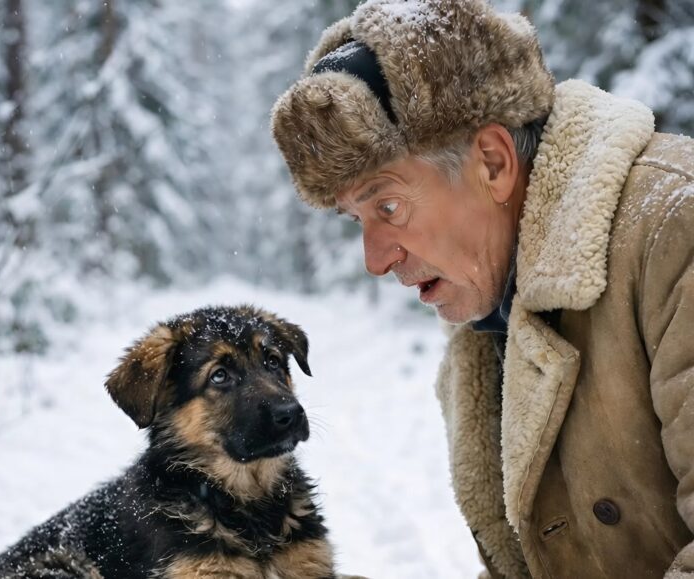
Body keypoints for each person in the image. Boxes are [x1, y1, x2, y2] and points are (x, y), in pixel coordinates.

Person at [270, 0, 694, 577]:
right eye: (356, 220)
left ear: (493, 163)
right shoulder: (491, 310)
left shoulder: (675, 229)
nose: (374, 259)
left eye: (387, 206)